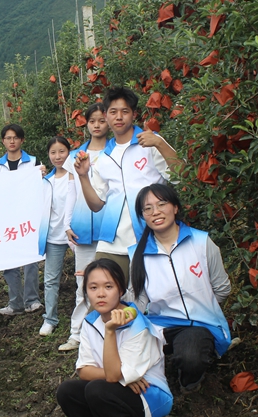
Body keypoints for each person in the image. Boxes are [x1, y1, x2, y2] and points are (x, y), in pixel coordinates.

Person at [56, 259, 172, 417]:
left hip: (149, 397)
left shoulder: (138, 327)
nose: (100, 294)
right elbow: (84, 371)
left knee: (97, 389)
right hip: (118, 391)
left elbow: (109, 377)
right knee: (68, 391)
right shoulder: (90, 321)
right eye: (93, 288)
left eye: (108, 287)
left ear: (121, 290)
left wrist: (110, 332)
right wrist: (119, 377)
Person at [129, 184, 232, 393]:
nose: (155, 212)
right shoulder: (137, 254)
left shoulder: (201, 242)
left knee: (191, 355)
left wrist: (203, 309)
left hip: (198, 324)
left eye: (162, 204)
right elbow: (137, 301)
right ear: (143, 216)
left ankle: (189, 382)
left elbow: (222, 288)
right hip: (160, 325)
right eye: (147, 208)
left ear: (175, 207)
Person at [73, 87, 180, 284]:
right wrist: (83, 176)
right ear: (106, 116)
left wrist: (160, 143)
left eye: (125, 111)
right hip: (111, 241)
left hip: (150, 235)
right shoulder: (105, 156)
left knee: (150, 295)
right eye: (113, 112)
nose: (119, 117)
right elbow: (96, 204)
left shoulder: (150, 142)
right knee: (104, 293)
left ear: (134, 114)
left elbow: (181, 175)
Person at [58, 103, 110, 351]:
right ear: (86, 123)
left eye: (102, 120)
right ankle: (77, 334)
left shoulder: (116, 152)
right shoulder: (75, 156)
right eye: (92, 121)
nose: (97, 125)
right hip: (83, 227)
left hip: (111, 225)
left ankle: (109, 332)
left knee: (112, 280)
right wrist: (67, 223)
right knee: (83, 283)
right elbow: (72, 192)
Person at [0, 123, 44, 315]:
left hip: (29, 218)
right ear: (3, 141)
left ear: (22, 140)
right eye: (8, 138)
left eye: (15, 138)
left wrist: (42, 176)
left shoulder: (34, 163)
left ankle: (32, 300)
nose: (12, 141)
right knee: (9, 261)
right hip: (5, 219)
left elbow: (42, 187)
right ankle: (15, 303)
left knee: (31, 261)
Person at [38, 136, 74, 336]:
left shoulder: (78, 176)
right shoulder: (46, 181)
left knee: (87, 277)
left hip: (77, 234)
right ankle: (50, 319)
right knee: (51, 280)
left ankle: (88, 318)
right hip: (53, 235)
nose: (58, 156)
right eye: (53, 152)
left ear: (69, 152)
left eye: (62, 151)